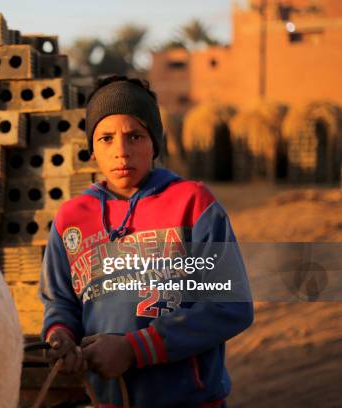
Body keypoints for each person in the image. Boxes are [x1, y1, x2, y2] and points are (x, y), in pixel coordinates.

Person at [39, 75, 253, 407]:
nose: (121, 151)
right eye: (106, 138)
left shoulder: (192, 204)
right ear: (91, 148)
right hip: (108, 400)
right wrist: (60, 340)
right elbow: (61, 303)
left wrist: (134, 349)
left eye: (135, 136)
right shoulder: (71, 219)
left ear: (154, 142)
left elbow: (230, 306)